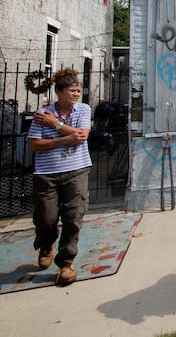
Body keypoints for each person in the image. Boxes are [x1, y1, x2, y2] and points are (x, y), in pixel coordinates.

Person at [27, 68, 92, 286]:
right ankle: (46, 244)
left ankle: (66, 263)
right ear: (59, 91)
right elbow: (35, 144)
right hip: (47, 173)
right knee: (46, 218)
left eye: (78, 91)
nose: (75, 95)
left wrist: (54, 125)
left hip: (77, 169)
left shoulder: (83, 110)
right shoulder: (41, 114)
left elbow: (82, 135)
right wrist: (63, 139)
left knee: (74, 216)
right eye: (71, 91)